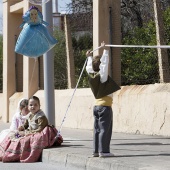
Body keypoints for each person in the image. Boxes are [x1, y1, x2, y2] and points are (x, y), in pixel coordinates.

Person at [0, 96, 63, 163]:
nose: (33, 107)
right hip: (30, 131)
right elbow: (26, 124)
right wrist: (22, 127)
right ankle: (6, 153)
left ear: (39, 106)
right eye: (31, 105)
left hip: (39, 132)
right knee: (12, 135)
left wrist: (26, 133)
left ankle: (17, 155)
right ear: (28, 106)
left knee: (26, 140)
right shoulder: (30, 115)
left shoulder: (41, 116)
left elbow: (40, 129)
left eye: (35, 105)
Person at [86, 42, 120, 158]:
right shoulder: (102, 77)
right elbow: (104, 67)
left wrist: (89, 57)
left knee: (97, 129)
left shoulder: (92, 76)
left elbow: (89, 67)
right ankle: (104, 151)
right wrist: (105, 51)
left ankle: (96, 151)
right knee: (105, 129)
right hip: (105, 107)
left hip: (96, 107)